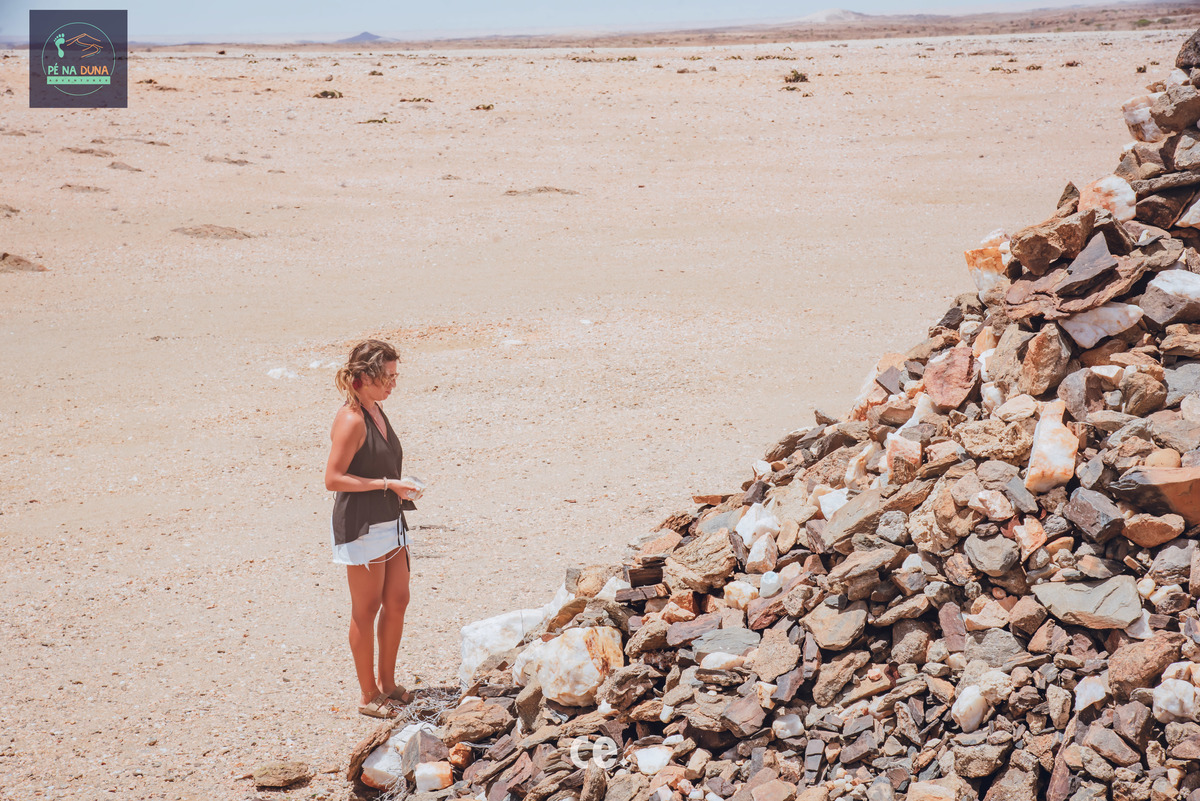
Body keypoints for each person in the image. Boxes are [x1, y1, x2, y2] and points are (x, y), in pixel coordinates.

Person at [325, 339, 422, 719]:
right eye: (388, 377)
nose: (393, 384)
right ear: (365, 377)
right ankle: (368, 695)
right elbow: (333, 479)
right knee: (366, 609)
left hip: (389, 517)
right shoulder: (351, 419)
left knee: (398, 600)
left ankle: (388, 684)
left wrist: (397, 486)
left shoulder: (376, 409)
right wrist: (387, 484)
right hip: (362, 524)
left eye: (396, 376)